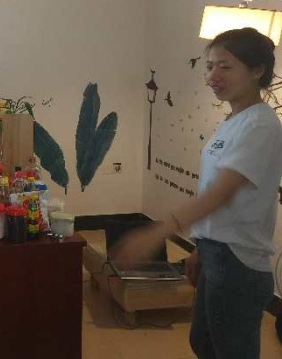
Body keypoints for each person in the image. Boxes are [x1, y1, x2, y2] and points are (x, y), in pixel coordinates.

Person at [114, 27, 282, 359]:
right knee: (203, 343)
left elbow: (220, 193)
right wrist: (200, 249)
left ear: (257, 70)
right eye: (209, 66)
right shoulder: (234, 120)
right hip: (216, 252)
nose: (212, 76)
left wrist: (155, 232)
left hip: (238, 263)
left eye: (225, 66)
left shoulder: (260, 126)